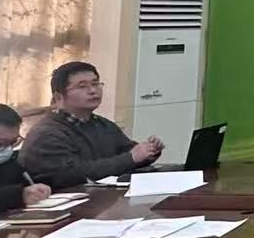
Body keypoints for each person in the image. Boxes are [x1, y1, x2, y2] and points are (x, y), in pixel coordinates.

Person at [22, 61, 163, 189]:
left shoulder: (102, 124)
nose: (92, 91)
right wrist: (131, 158)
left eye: (95, 84)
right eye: (82, 86)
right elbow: (73, 174)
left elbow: (127, 152)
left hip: (103, 198)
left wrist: (149, 152)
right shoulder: (47, 133)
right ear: (59, 97)